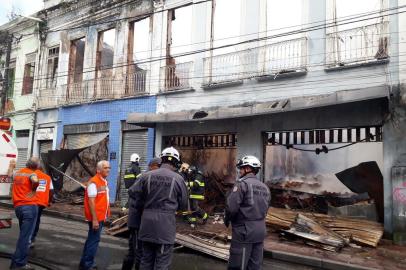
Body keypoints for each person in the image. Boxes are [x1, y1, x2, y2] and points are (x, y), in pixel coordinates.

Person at [132, 147, 188, 270]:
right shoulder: (179, 179)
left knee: (145, 261)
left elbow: (134, 194)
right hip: (165, 227)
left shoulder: (146, 176)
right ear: (175, 162)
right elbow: (184, 204)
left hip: (146, 225)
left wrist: (144, 207)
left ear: (161, 159)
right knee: (162, 264)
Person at [225, 156, 270, 270]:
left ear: (248, 169)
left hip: (244, 231)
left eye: (241, 168)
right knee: (255, 265)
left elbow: (231, 208)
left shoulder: (241, 184)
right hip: (260, 231)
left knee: (237, 265)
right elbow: (265, 209)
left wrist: (227, 219)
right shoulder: (265, 188)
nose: (240, 171)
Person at [121, 157, 161, 270]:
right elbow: (132, 192)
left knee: (137, 251)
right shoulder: (145, 177)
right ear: (153, 166)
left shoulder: (150, 176)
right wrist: (144, 205)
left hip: (141, 221)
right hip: (137, 221)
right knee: (137, 251)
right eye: (159, 166)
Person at [79, 161, 111, 270]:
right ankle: (88, 264)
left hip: (100, 216)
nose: (108, 170)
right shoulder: (94, 182)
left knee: (91, 240)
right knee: (93, 241)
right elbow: (91, 202)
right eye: (105, 168)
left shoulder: (103, 181)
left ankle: (84, 262)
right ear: (98, 170)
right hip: (96, 218)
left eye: (109, 167)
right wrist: (95, 220)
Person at [10, 157, 40, 270]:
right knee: (25, 238)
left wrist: (11, 165)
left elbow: (10, 175)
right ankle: (19, 264)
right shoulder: (32, 174)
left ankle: (15, 263)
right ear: (35, 166)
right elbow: (35, 181)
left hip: (18, 207)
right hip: (29, 207)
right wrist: (33, 190)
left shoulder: (18, 173)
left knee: (23, 236)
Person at [30, 164, 54, 248]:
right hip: (41, 203)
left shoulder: (31, 175)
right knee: (36, 220)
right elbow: (51, 191)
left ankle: (28, 237)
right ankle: (32, 239)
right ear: (42, 169)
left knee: (29, 219)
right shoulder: (47, 177)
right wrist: (50, 201)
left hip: (30, 201)